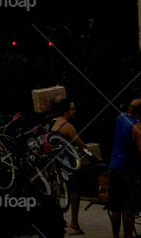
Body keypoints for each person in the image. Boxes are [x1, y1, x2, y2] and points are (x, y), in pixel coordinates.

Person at [108, 99, 141, 238]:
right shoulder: (137, 128)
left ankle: (115, 235)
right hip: (129, 171)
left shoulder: (121, 117)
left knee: (115, 208)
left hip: (114, 168)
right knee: (129, 210)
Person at [50, 99, 89, 234]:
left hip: (55, 163)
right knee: (74, 191)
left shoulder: (54, 123)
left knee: (57, 192)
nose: (74, 111)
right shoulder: (67, 126)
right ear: (65, 112)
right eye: (72, 109)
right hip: (67, 163)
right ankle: (74, 222)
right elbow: (81, 145)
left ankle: (59, 221)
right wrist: (95, 156)